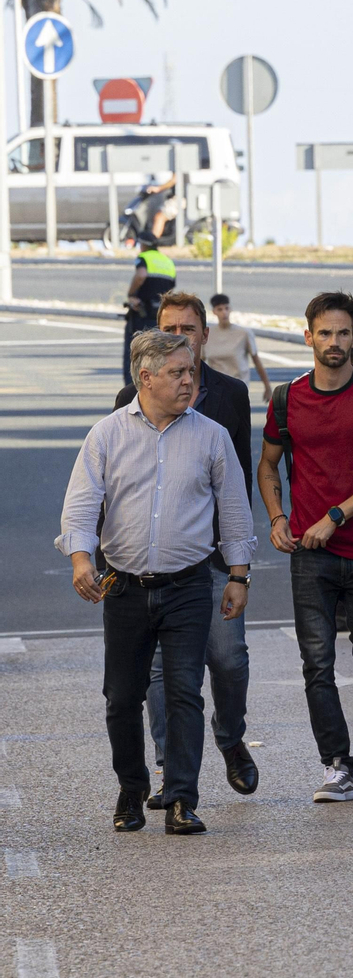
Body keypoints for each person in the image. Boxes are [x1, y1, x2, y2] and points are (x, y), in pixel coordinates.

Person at [58, 330, 255, 835]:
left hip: (189, 585)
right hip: (122, 588)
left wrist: (238, 575)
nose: (190, 380)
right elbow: (80, 507)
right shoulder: (106, 435)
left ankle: (183, 800)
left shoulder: (210, 436)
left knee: (186, 690)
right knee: (122, 696)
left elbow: (234, 511)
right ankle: (132, 787)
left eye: (191, 371)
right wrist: (82, 560)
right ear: (145, 378)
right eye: (177, 373)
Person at [111, 292, 259, 808]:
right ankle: (167, 768)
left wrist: (237, 568)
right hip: (155, 568)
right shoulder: (129, 400)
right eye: (170, 327)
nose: (181, 336)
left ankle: (231, 735)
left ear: (204, 336)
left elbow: (234, 487)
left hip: (212, 560)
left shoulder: (231, 396)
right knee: (162, 673)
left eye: (189, 329)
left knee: (228, 659)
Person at [259, 292, 353, 803]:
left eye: (344, 333)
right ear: (309, 338)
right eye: (325, 333)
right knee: (316, 662)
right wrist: (278, 517)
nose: (335, 342)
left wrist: (335, 516)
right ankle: (336, 764)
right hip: (309, 553)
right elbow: (268, 464)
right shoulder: (286, 398)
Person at [121, 231, 176, 386]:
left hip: (142, 313)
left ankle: (132, 390)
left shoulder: (144, 258)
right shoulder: (167, 262)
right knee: (158, 355)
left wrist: (131, 293)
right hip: (160, 316)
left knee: (135, 353)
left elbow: (141, 275)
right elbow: (171, 288)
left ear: (143, 244)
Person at [207, 294, 273, 405]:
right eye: (220, 309)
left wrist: (267, 387)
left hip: (238, 389)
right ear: (214, 311)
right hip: (216, 390)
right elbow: (199, 363)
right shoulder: (208, 335)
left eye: (226, 308)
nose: (224, 312)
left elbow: (256, 360)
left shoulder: (243, 333)